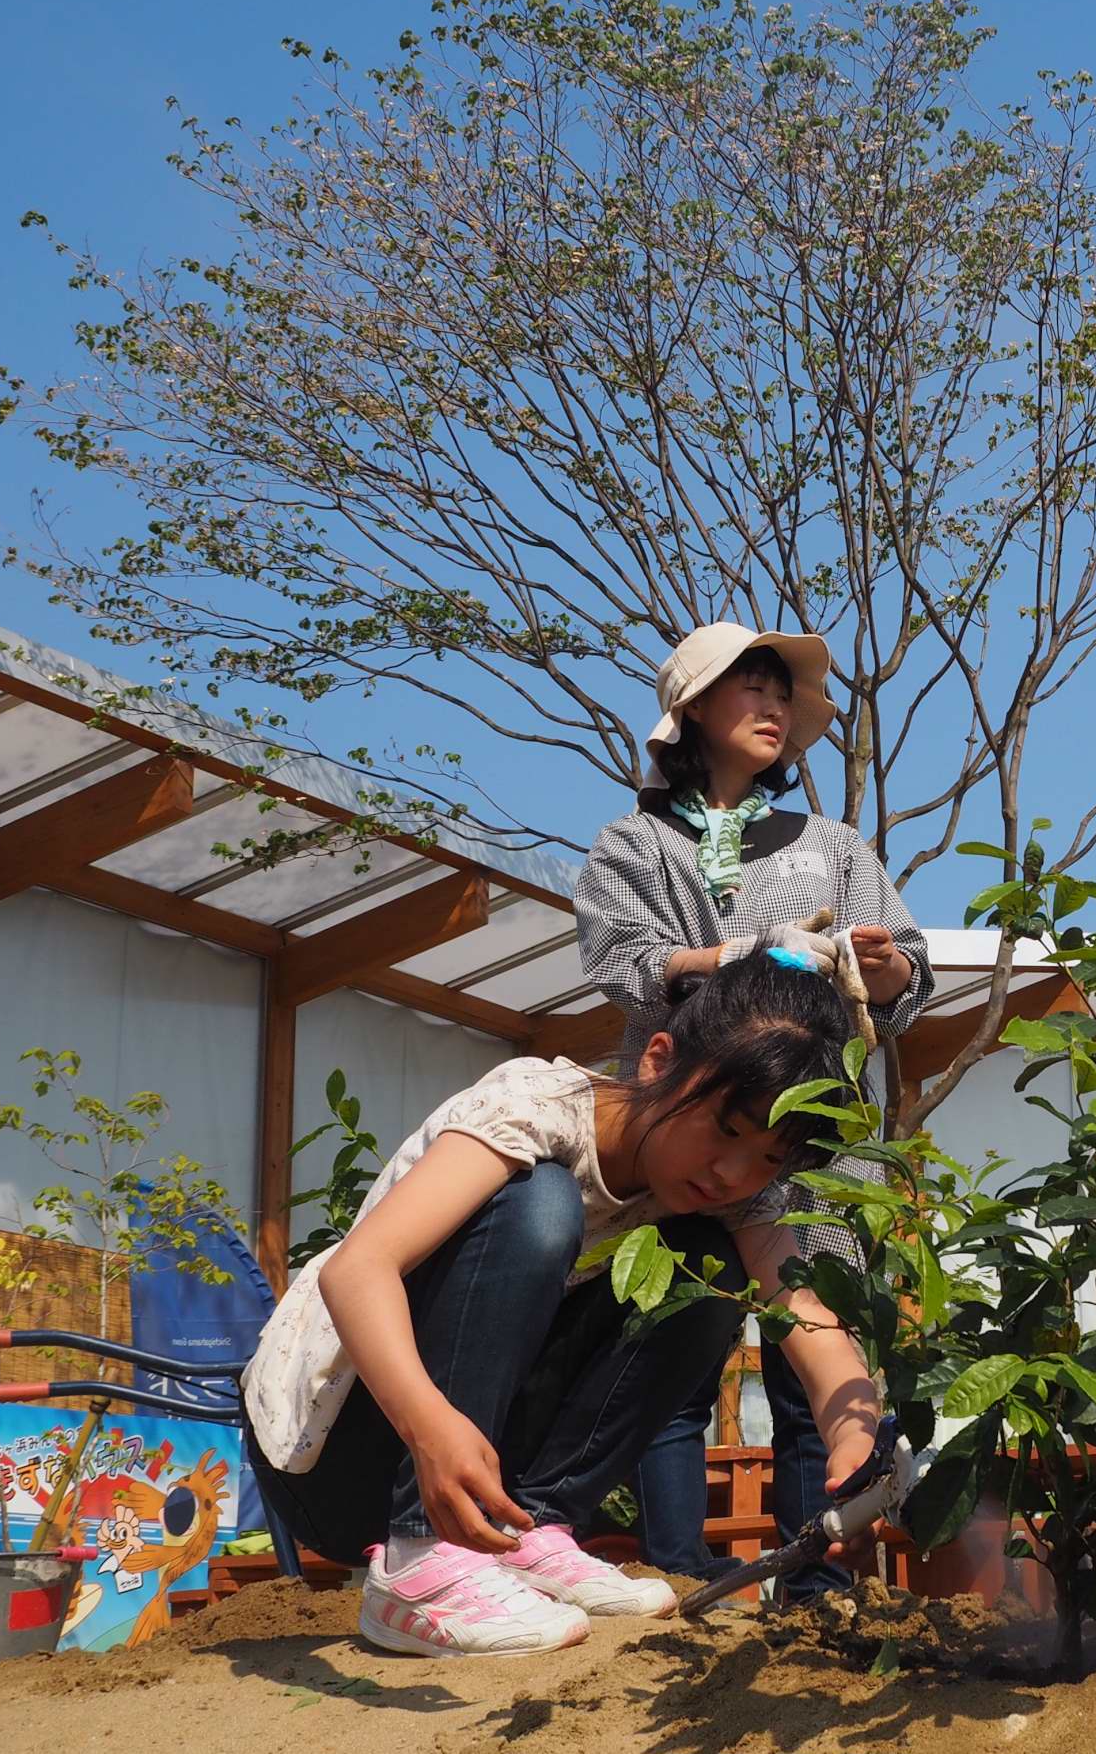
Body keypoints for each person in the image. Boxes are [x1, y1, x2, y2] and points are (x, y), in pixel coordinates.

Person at [242, 952, 880, 1658]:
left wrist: (855, 1435)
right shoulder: (536, 1107)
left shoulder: (733, 1201)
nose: (734, 1172)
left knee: (711, 1268)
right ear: (657, 1060)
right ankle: (418, 1560)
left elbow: (808, 1320)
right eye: (726, 1129)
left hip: (482, 1482)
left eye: (769, 1158)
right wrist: (429, 1423)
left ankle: (532, 1531)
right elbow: (358, 1270)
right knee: (539, 1206)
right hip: (333, 1449)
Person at [573, 620, 935, 1598]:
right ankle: (677, 1571)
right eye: (751, 686)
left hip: (806, 1132)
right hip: (688, 1120)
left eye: (784, 691)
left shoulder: (834, 845)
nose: (774, 705)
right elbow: (620, 956)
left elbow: (906, 967)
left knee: (805, 1354)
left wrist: (889, 963)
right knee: (677, 1352)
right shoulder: (634, 844)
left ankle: (810, 1577)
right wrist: (736, 953)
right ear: (692, 709)